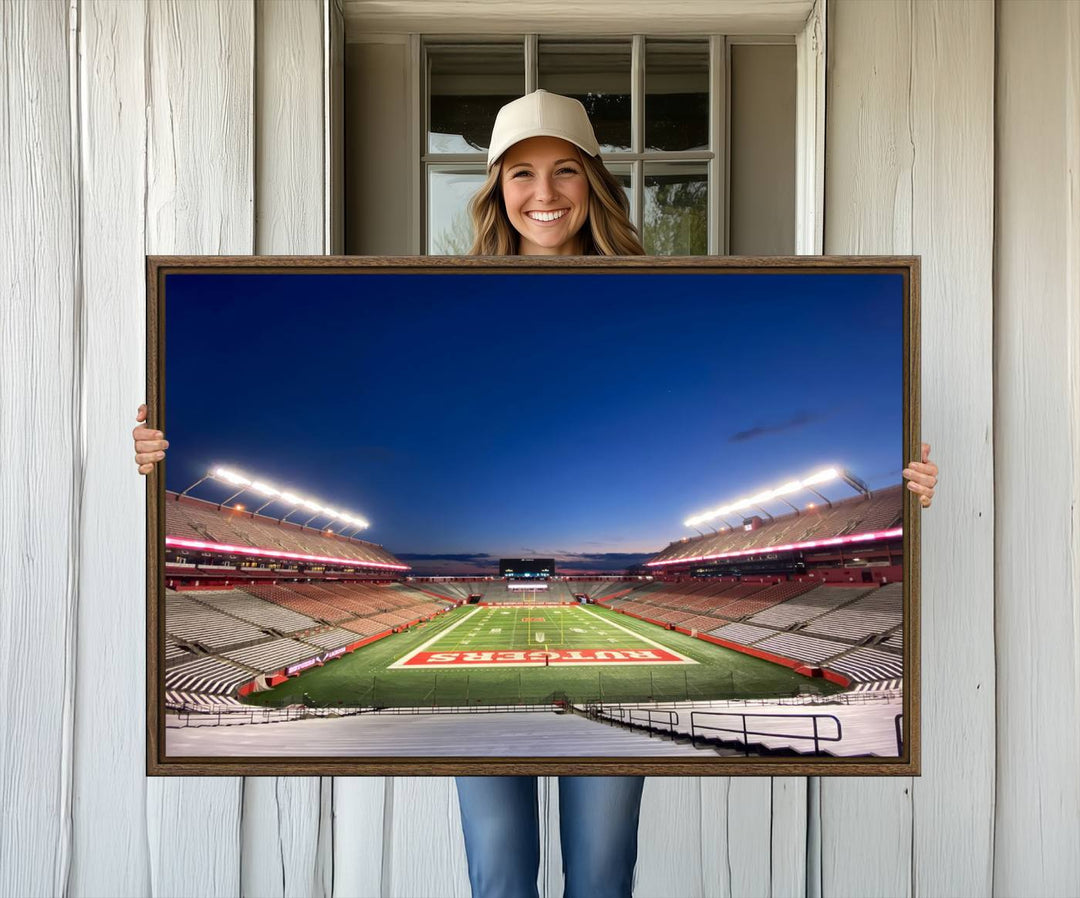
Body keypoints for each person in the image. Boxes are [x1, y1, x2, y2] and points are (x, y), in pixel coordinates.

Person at [132, 90, 940, 898]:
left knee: (600, 874)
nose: (544, 194)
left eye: (564, 171)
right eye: (521, 173)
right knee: (500, 874)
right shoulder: (447, 297)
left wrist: (905, 490)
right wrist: (154, 452)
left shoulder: (650, 294)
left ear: (593, 181)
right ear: (495, 188)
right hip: (476, 730)